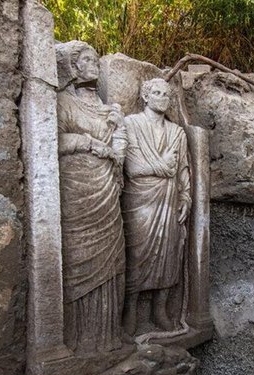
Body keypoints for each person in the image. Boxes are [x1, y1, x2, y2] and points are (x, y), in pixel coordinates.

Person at [55, 40, 126, 354]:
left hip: (108, 188)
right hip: (78, 188)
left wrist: (118, 131)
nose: (94, 63)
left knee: (111, 257)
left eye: (96, 58)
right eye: (87, 58)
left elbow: (121, 149)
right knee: (80, 256)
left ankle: (107, 337)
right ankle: (78, 338)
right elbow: (54, 140)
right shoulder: (63, 103)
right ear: (73, 67)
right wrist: (88, 141)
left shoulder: (108, 108)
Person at [114, 78, 191, 335]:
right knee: (136, 254)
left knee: (169, 254)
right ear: (145, 96)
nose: (163, 97)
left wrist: (186, 198)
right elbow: (133, 169)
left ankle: (160, 310)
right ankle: (130, 311)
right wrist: (162, 167)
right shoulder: (131, 124)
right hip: (139, 201)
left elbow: (181, 170)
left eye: (166, 94)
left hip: (169, 200)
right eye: (156, 93)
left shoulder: (177, 132)